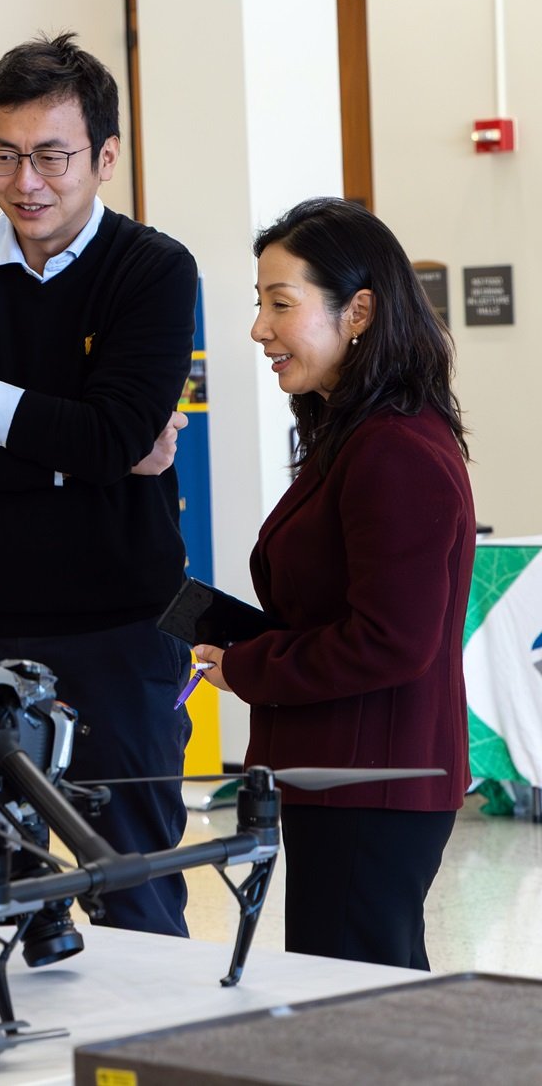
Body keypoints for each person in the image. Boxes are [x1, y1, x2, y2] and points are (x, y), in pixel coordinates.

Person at [0, 33, 197, 938]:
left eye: (52, 156)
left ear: (104, 156)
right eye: (4, 155)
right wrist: (82, 449)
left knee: (132, 883)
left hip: (119, 626)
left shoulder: (154, 270)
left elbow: (117, 432)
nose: (28, 183)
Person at [194, 197, 471, 970]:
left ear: (358, 311)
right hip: (348, 777)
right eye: (261, 304)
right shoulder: (355, 433)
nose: (260, 329)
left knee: (355, 1006)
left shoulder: (393, 449)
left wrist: (251, 666)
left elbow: (390, 640)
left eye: (282, 304)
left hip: (372, 783)